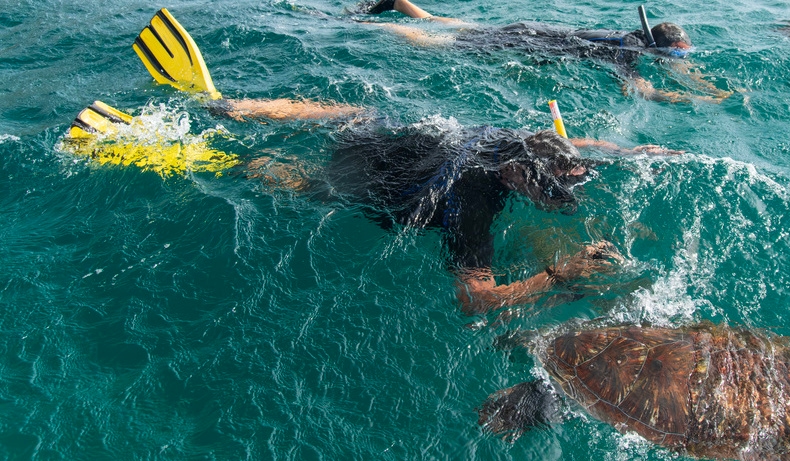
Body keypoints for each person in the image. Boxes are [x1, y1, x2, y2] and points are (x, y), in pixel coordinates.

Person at [76, 8, 685, 314]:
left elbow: (570, 154)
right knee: (303, 183)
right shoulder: (479, 204)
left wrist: (628, 152)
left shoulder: (516, 139)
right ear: (520, 180)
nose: (556, 194)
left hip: (403, 141)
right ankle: (207, 158)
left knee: (347, 115)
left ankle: (232, 106)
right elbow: (474, 299)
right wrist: (561, 274)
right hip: (387, 186)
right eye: (547, 191)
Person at [358, 0, 732, 103]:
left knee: (459, 26)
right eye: (679, 55)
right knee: (439, 45)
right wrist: (689, 99)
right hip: (525, 42)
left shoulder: (631, 38)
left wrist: (707, 85)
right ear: (660, 47)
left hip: (529, 28)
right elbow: (639, 90)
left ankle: (401, 4)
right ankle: (381, 24)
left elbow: (661, 68)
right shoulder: (628, 51)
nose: (682, 60)